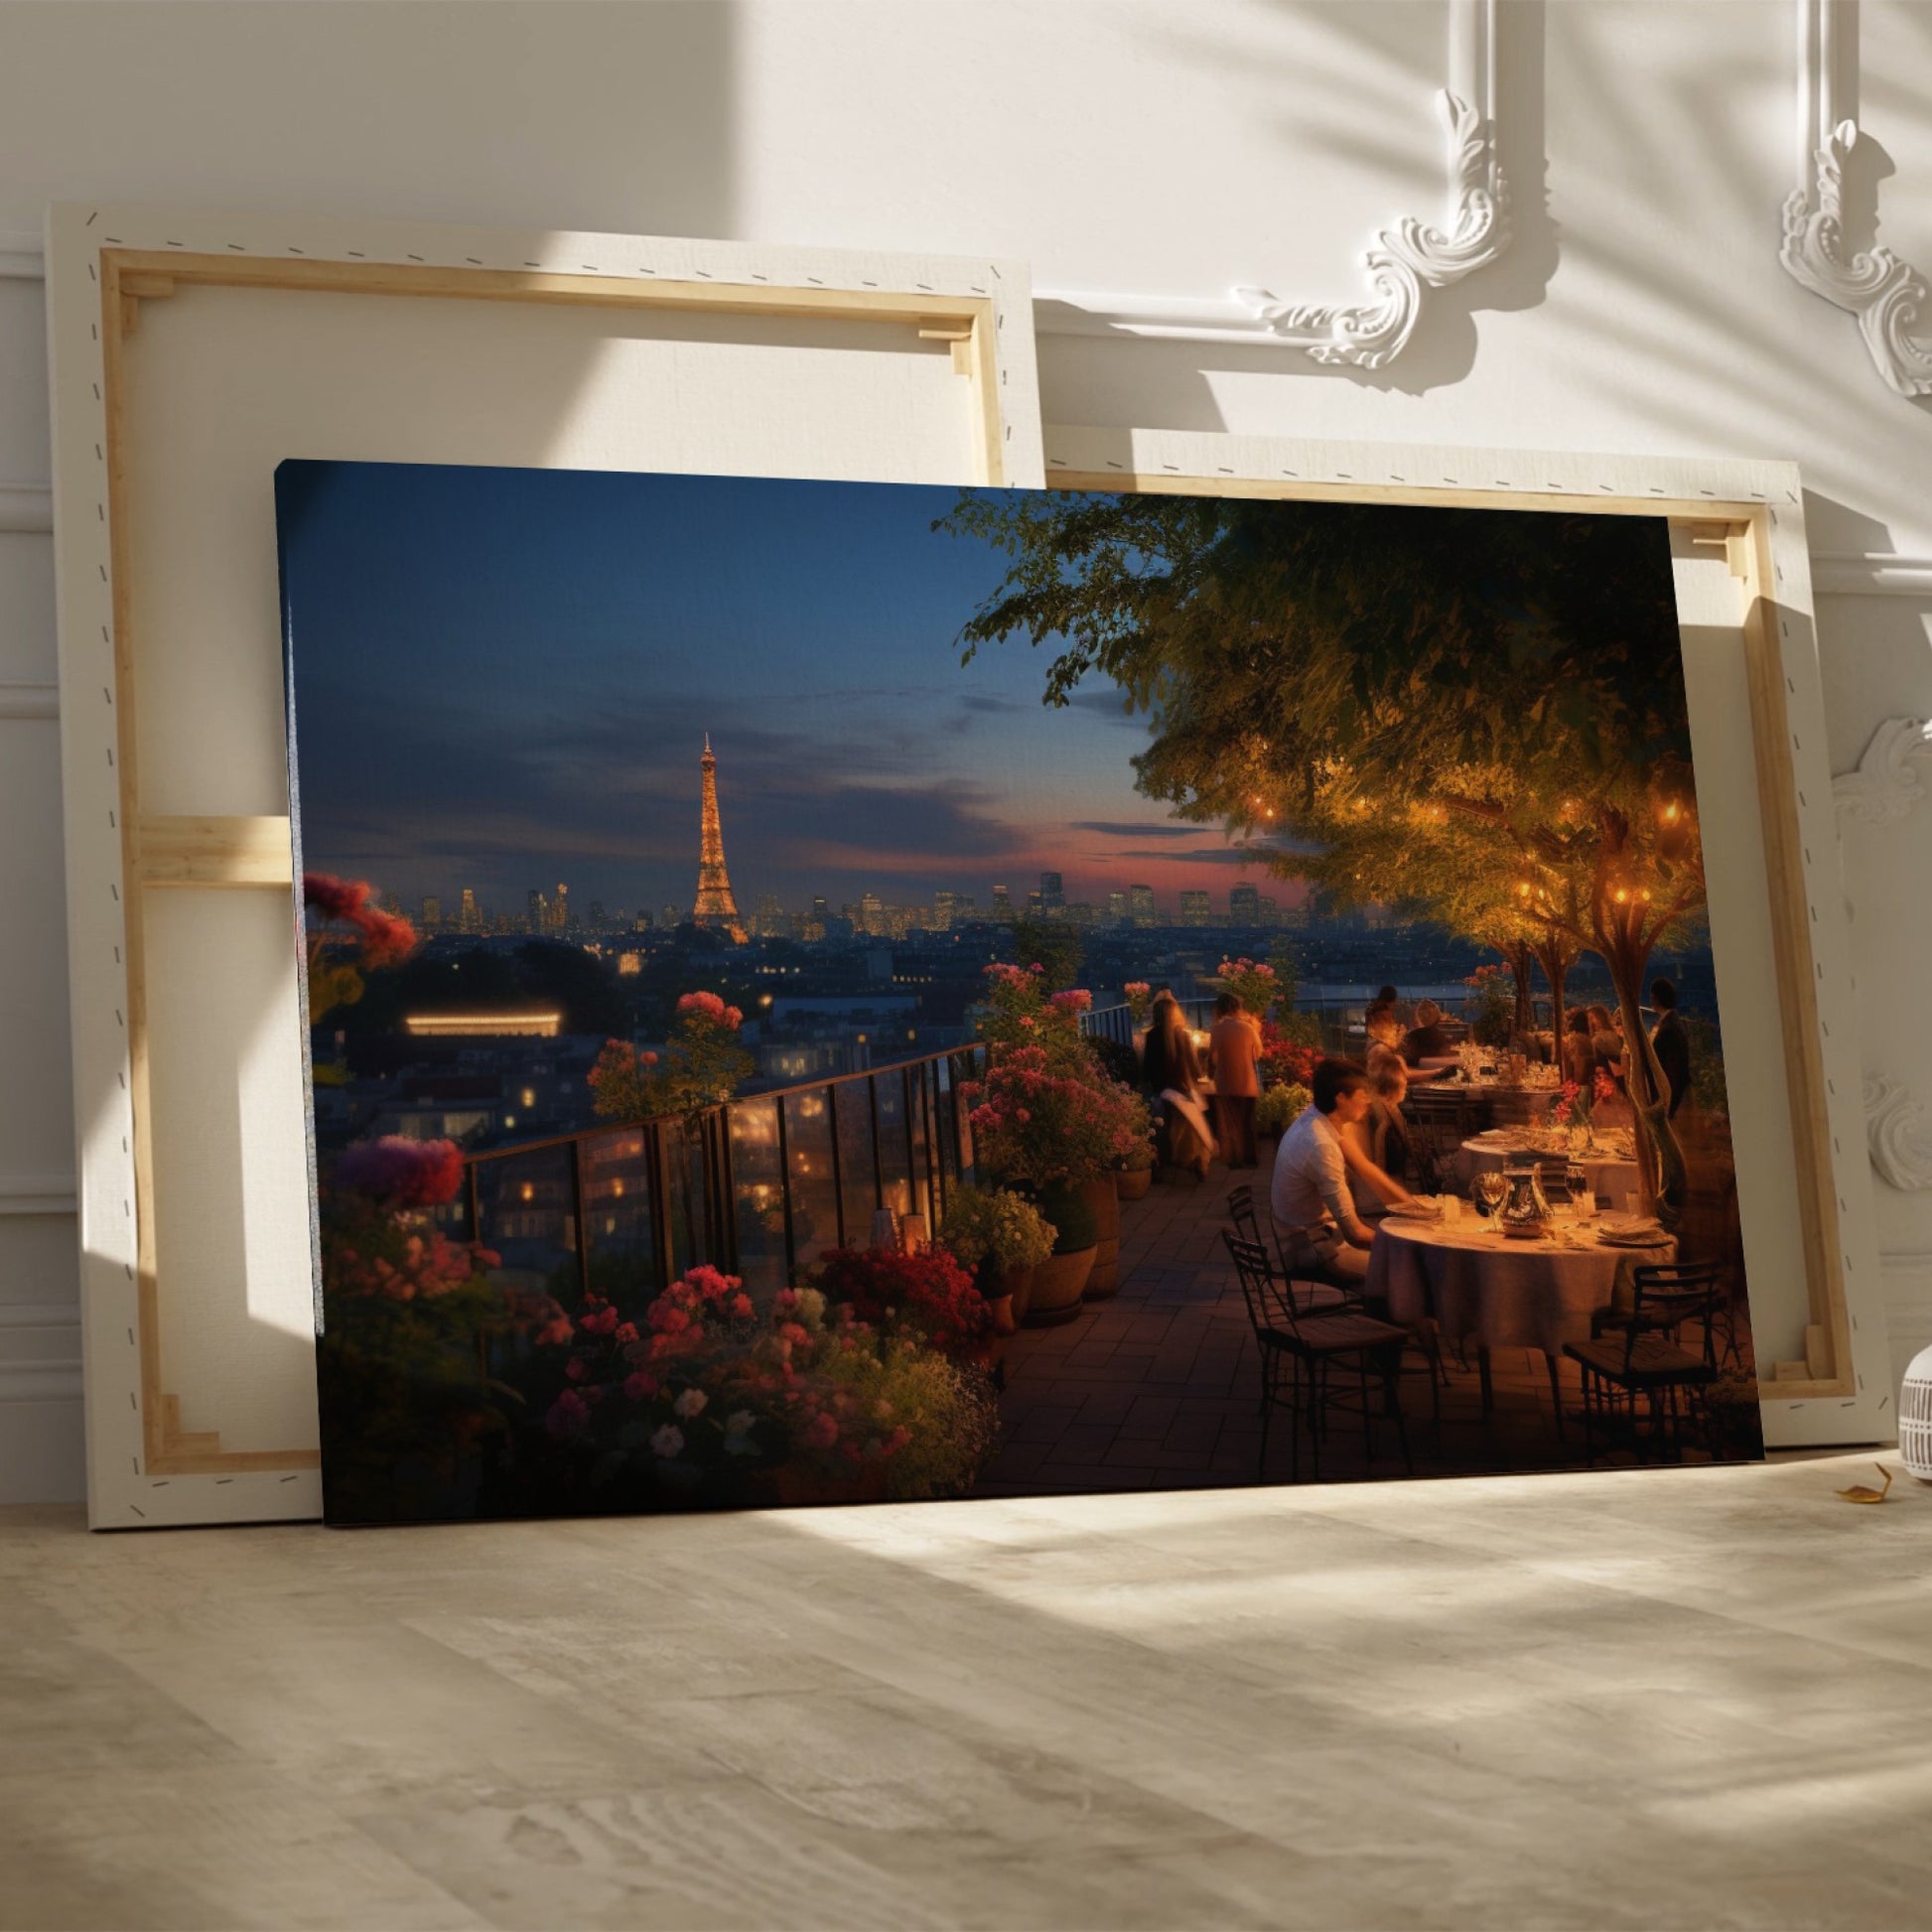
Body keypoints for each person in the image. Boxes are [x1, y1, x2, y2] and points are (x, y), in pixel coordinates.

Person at [1271, 1058, 1413, 1284]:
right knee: (1406, 1272)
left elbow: (1365, 1168)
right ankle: (1402, 1316)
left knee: (1400, 1252)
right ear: (1341, 1098)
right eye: (1362, 1093)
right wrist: (1407, 1245)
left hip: (1309, 1234)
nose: (1368, 1100)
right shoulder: (1321, 1145)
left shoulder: (1318, 1117)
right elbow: (1355, 1233)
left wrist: (1415, 1209)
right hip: (1313, 1249)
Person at [1144, 990, 1214, 1178]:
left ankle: (1162, 1163)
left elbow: (1147, 1069)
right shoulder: (1183, 1036)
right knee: (1194, 1123)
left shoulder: (1151, 1036)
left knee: (1159, 1123)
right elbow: (1194, 1069)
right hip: (1182, 1090)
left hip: (1162, 1091)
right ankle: (1196, 1160)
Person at [1346, 1055, 1415, 1215]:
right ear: (1393, 1087)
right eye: (1404, 1086)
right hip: (1378, 1198)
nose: (1406, 1087)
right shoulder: (1383, 1116)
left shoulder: (1380, 1108)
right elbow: (1379, 1158)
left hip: (1372, 1193)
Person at [1207, 991, 1263, 1169]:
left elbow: (1214, 1057)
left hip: (1225, 1083)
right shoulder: (1248, 1028)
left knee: (1231, 1124)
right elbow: (1257, 1054)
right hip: (1247, 1083)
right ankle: (1251, 1158)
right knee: (1248, 1123)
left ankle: (1235, 1159)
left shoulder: (1216, 1029)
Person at [1649, 976, 1692, 1119]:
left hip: (1667, 1091)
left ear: (1657, 998)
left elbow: (1673, 1066)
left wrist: (1668, 1102)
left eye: (1653, 997)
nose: (1651, 1000)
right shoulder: (1669, 1021)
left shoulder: (1669, 1027)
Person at [1400, 999, 1450, 1067]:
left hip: (1415, 1075)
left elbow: (1407, 1061)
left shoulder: (1411, 1037)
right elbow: (1446, 1064)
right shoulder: (1442, 1038)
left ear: (1419, 1017)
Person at [1560, 1009, 1594, 1088]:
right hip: (1590, 1081)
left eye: (1568, 1021)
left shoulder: (1572, 1040)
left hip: (1575, 1082)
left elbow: (1568, 1064)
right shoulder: (1590, 1039)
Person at [1364, 985, 1403, 1053]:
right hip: (1381, 1050)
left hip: (1372, 1047)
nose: (1396, 1004)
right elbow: (1390, 1042)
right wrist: (1401, 1033)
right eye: (1394, 1001)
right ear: (1391, 1001)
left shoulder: (1372, 1010)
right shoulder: (1383, 1013)